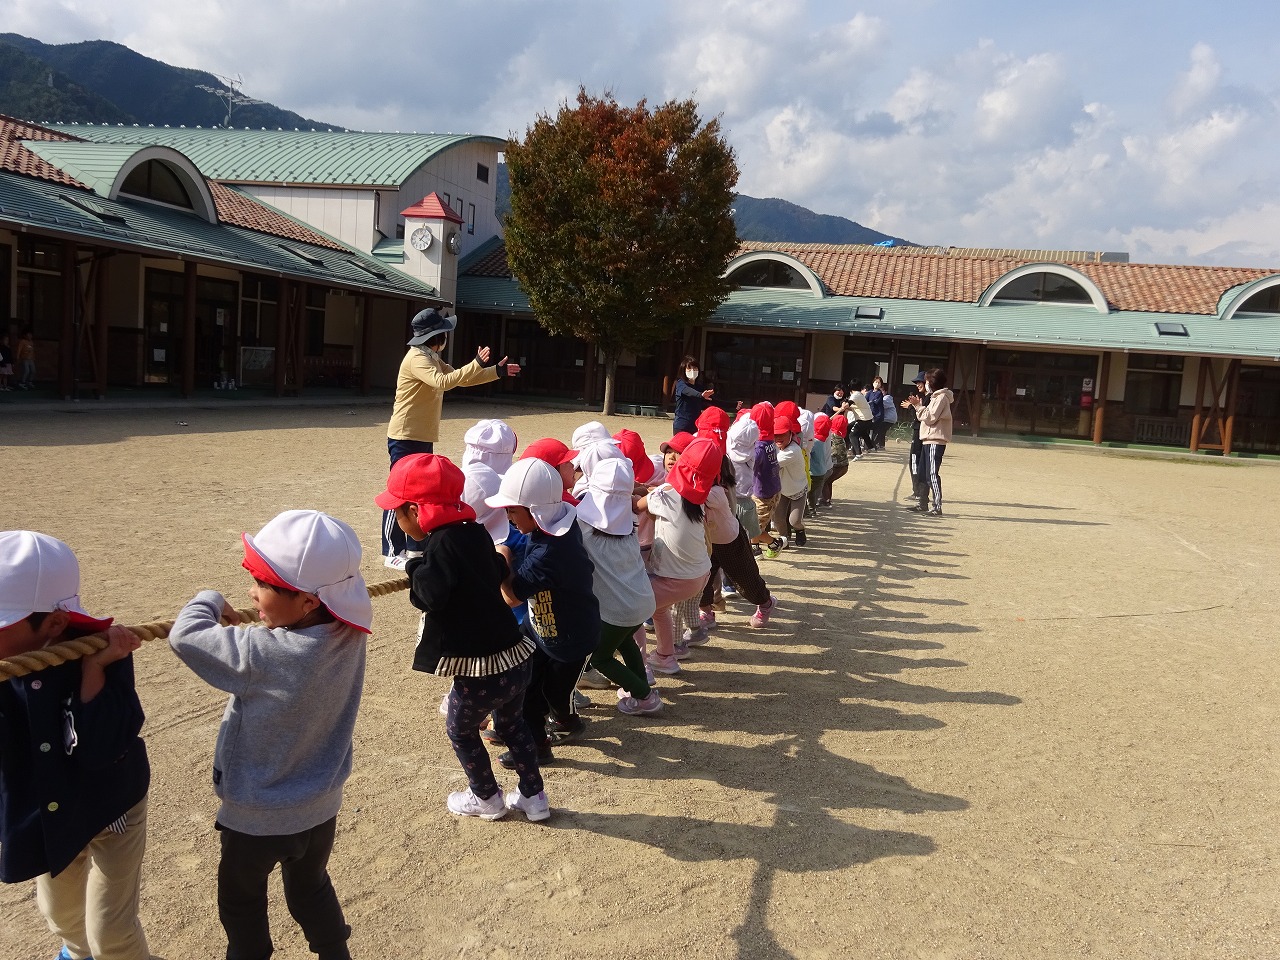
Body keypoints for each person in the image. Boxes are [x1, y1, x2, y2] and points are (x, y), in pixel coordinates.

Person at [169, 510, 372, 960]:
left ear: (309, 602)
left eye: (263, 584)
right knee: (311, 888)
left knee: (241, 903)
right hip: (320, 808)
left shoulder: (261, 653)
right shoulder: (347, 634)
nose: (251, 592)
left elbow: (186, 635)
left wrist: (208, 598)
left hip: (256, 819)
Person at [0, 531, 150, 960]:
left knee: (112, 935)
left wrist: (94, 674)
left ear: (54, 623)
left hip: (111, 805)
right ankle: (76, 953)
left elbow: (102, 750)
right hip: (46, 808)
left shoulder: (102, 651)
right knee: (61, 916)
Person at [382, 308, 520, 568]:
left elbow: (459, 378)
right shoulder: (417, 358)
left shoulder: (430, 356)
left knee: (421, 492)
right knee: (399, 491)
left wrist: (495, 372)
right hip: (405, 434)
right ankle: (391, 551)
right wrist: (477, 363)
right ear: (437, 337)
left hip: (421, 434)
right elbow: (444, 382)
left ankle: (415, 548)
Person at [487, 458, 600, 761]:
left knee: (555, 694)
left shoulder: (549, 554)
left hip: (570, 640)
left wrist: (502, 558)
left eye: (512, 510)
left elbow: (512, 597)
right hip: (541, 627)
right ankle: (537, 747)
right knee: (528, 690)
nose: (508, 517)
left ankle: (565, 722)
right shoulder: (558, 525)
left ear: (536, 511)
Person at [576, 458, 661, 714]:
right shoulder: (630, 520)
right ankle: (641, 688)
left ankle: (645, 696)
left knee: (600, 657)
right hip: (643, 600)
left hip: (616, 609)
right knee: (625, 643)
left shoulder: (582, 524)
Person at [634, 438, 720, 676]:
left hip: (676, 579)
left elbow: (637, 506)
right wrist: (648, 489)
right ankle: (665, 656)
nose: (672, 457)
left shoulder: (665, 494)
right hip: (699, 574)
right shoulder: (698, 497)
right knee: (659, 609)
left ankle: (639, 668)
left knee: (633, 609)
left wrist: (627, 489)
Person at [700, 451, 777, 629]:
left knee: (746, 578)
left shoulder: (717, 492)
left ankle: (765, 603)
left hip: (729, 541)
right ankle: (706, 611)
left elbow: (688, 496)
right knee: (701, 580)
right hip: (705, 541)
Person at [905, 368, 954, 516]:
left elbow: (930, 417)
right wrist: (918, 407)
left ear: (932, 382)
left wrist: (918, 406)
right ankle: (923, 503)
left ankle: (937, 506)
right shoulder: (934, 397)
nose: (925, 383)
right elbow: (923, 417)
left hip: (935, 440)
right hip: (927, 439)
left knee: (932, 474)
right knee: (923, 474)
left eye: (926, 381)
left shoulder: (941, 398)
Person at [768, 414, 808, 553]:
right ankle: (785, 540)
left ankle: (800, 530)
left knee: (794, 521)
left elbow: (771, 464)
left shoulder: (793, 451)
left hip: (798, 489)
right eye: (775, 435)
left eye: (782, 434)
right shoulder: (775, 446)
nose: (778, 438)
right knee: (778, 519)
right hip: (782, 490)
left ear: (791, 434)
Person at [747, 402, 780, 550]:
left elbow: (751, 466)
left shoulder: (759, 447)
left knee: (753, 527)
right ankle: (755, 548)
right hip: (771, 487)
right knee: (755, 522)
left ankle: (774, 543)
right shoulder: (769, 441)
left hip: (763, 493)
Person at [902, 372, 929, 507]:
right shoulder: (923, 397)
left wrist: (912, 406)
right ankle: (918, 491)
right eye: (917, 383)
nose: (918, 385)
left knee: (915, 461)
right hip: (920, 431)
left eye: (920, 382)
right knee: (917, 462)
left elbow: (920, 417)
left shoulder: (928, 398)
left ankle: (918, 491)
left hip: (920, 432)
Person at [672, 355, 714, 434]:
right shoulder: (681, 384)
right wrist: (700, 395)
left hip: (696, 427)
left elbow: (713, 400)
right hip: (682, 427)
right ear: (684, 370)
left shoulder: (699, 387)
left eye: (695, 368)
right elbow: (688, 391)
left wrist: (734, 404)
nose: (692, 371)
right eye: (689, 369)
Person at [823, 414, 850, 506]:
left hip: (835, 466)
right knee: (829, 481)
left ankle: (826, 501)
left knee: (824, 481)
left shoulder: (830, 435)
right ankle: (827, 499)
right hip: (844, 466)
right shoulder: (841, 436)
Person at [808, 413, 832, 514]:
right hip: (822, 471)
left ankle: (810, 510)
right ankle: (813, 508)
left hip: (814, 473)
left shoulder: (814, 442)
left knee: (809, 493)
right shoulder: (823, 440)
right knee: (815, 492)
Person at [848, 384, 874, 459]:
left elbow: (848, 404)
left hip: (863, 419)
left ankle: (858, 454)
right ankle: (871, 447)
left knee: (852, 435)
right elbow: (854, 407)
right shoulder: (860, 395)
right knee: (859, 431)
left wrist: (844, 405)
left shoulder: (855, 395)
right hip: (867, 419)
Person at [878, 379, 898, 450]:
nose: (880, 393)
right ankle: (880, 445)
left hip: (889, 418)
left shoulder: (887, 398)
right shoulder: (884, 398)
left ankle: (880, 445)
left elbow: (881, 405)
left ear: (885, 392)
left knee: (880, 430)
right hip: (887, 418)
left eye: (882, 391)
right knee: (881, 430)